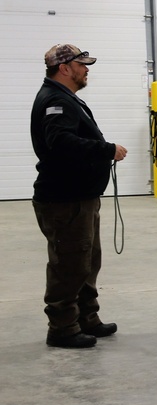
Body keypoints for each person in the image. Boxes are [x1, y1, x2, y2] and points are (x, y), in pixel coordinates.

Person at [31, 44, 127, 348]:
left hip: (79, 197)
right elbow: (60, 142)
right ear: (64, 68)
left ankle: (86, 317)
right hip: (64, 199)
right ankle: (62, 327)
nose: (87, 69)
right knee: (69, 264)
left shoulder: (65, 98)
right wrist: (106, 149)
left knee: (86, 261)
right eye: (81, 64)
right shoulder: (55, 101)